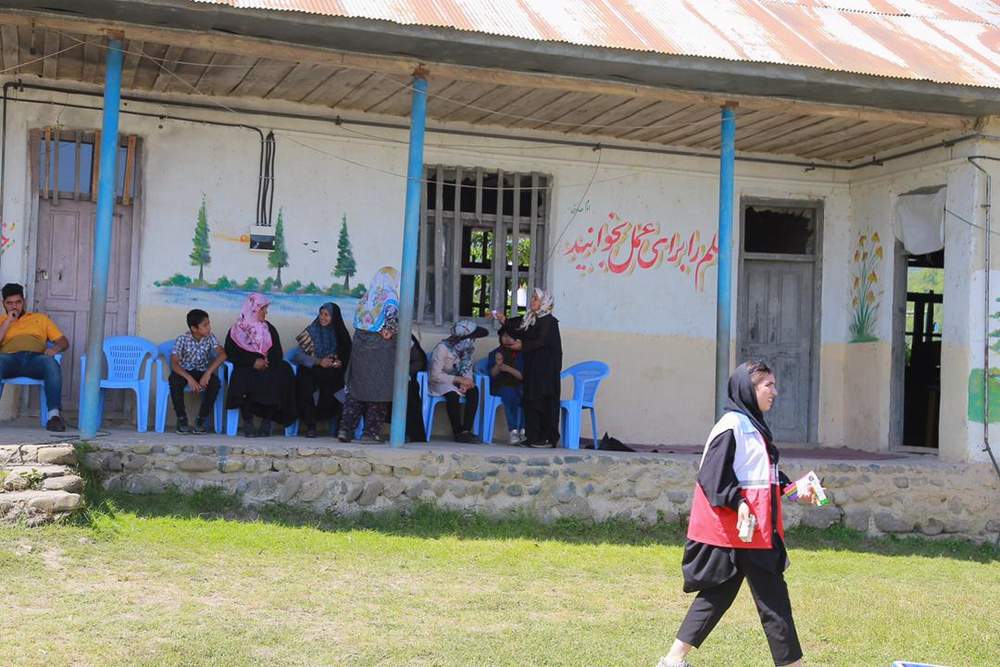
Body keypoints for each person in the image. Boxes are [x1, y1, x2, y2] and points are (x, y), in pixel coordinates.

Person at [659, 361, 814, 667]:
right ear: (748, 388)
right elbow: (712, 476)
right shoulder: (732, 426)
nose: (775, 392)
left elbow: (762, 476)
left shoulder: (751, 425)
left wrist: (795, 489)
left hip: (750, 531)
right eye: (768, 385)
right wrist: (740, 503)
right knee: (774, 602)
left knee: (718, 594)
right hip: (746, 531)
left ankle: (673, 660)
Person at [339, 267, 399, 444]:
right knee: (379, 390)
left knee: (356, 389)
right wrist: (389, 330)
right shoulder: (390, 296)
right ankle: (370, 434)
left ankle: (345, 429)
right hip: (380, 349)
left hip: (360, 346)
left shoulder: (367, 296)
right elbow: (391, 321)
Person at [496, 288, 562, 448]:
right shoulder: (531, 319)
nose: (532, 301)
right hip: (533, 367)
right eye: (532, 298)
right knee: (530, 401)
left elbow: (541, 341)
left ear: (544, 302)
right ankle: (532, 437)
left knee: (543, 402)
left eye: (535, 299)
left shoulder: (549, 322)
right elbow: (518, 328)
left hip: (546, 370)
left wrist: (522, 346)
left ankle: (546, 438)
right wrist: (504, 320)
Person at [224, 293, 296, 437]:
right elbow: (231, 353)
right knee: (243, 375)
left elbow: (277, 352)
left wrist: (267, 361)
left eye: (265, 308)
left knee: (283, 370)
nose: (266, 312)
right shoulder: (237, 330)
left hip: (267, 366)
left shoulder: (269, 329)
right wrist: (252, 362)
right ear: (253, 309)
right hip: (246, 366)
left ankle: (267, 420)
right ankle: (248, 421)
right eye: (263, 309)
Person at [0, 283, 68, 431]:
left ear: (24, 301)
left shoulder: (40, 319)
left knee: (51, 364)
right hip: (9, 360)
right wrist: (8, 322)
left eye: (18, 302)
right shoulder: (2, 321)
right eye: (9, 303)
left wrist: (55, 349)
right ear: (3, 303)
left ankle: (54, 416)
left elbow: (63, 341)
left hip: (35, 360)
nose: (14, 307)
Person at [292, 302, 352, 438]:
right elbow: (298, 356)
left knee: (338, 383)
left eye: (327, 315)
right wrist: (318, 361)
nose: (322, 318)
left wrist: (339, 362)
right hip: (312, 368)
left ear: (334, 317)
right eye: (321, 314)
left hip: (331, 371)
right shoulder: (311, 331)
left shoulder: (340, 334)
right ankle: (311, 425)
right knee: (307, 381)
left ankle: (340, 426)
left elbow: (347, 355)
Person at [168, 309, 227, 434]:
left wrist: (208, 373)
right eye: (205, 325)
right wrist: (189, 378)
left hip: (201, 372)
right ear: (194, 328)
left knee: (215, 383)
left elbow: (223, 355)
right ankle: (182, 419)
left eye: (209, 323)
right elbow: (174, 364)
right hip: (184, 372)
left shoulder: (210, 337)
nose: (209, 327)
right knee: (174, 381)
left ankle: (201, 420)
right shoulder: (182, 339)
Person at [428, 320, 488, 443]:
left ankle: (466, 431)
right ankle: (457, 432)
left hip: (457, 381)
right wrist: (457, 379)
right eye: (471, 338)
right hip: (440, 382)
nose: (472, 341)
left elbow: (467, 369)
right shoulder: (442, 348)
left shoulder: (466, 350)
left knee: (473, 390)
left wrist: (466, 382)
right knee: (452, 395)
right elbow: (435, 375)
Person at [488, 330, 525, 445]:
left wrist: (508, 369)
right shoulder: (496, 353)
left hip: (520, 384)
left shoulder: (524, 354)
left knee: (527, 395)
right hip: (501, 386)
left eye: (511, 336)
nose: (507, 339)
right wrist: (498, 365)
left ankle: (523, 430)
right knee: (509, 394)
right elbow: (492, 374)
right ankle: (513, 431)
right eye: (504, 336)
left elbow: (523, 376)